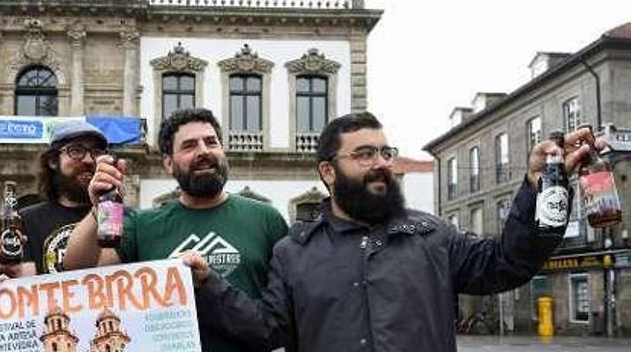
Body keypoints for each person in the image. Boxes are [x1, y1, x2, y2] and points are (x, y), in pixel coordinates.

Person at [186, 111, 600, 352]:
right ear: (329, 171)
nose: (381, 163)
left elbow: (508, 262)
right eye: (364, 155)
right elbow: (264, 329)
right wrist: (208, 286)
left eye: (385, 152)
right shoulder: (293, 252)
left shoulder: (432, 235)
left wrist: (542, 186)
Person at [63, 107, 289, 352]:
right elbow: (79, 270)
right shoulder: (142, 225)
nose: (203, 151)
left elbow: (281, 321)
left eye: (211, 142)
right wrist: (98, 209)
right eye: (190, 145)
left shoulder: (266, 218)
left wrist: (208, 282)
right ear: (169, 164)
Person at [0, 120, 110, 277]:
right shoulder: (26, 220)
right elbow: (27, 279)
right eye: (76, 150)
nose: (88, 160)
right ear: (53, 161)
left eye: (97, 152)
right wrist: (6, 273)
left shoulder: (120, 218)